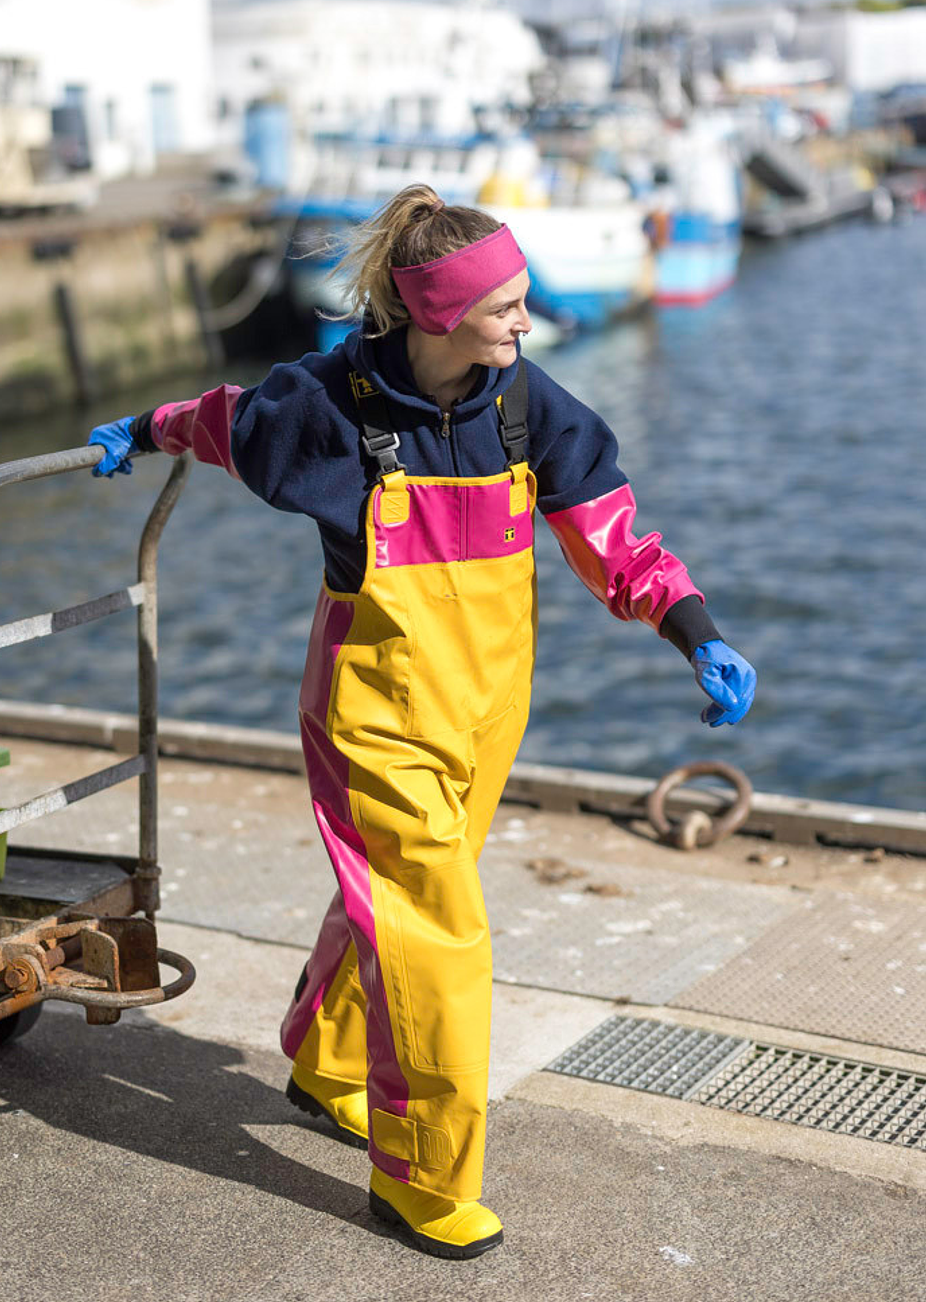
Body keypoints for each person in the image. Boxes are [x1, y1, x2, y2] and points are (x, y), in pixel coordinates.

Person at [87, 185, 756, 1261]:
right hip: (373, 715)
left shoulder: (526, 404)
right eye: (505, 309)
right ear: (440, 313)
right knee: (441, 938)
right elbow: (226, 419)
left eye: (524, 303)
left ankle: (324, 1056)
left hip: (485, 710)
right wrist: (141, 430)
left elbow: (610, 535)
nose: (524, 325)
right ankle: (422, 1177)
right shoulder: (329, 404)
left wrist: (692, 625)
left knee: (395, 905)